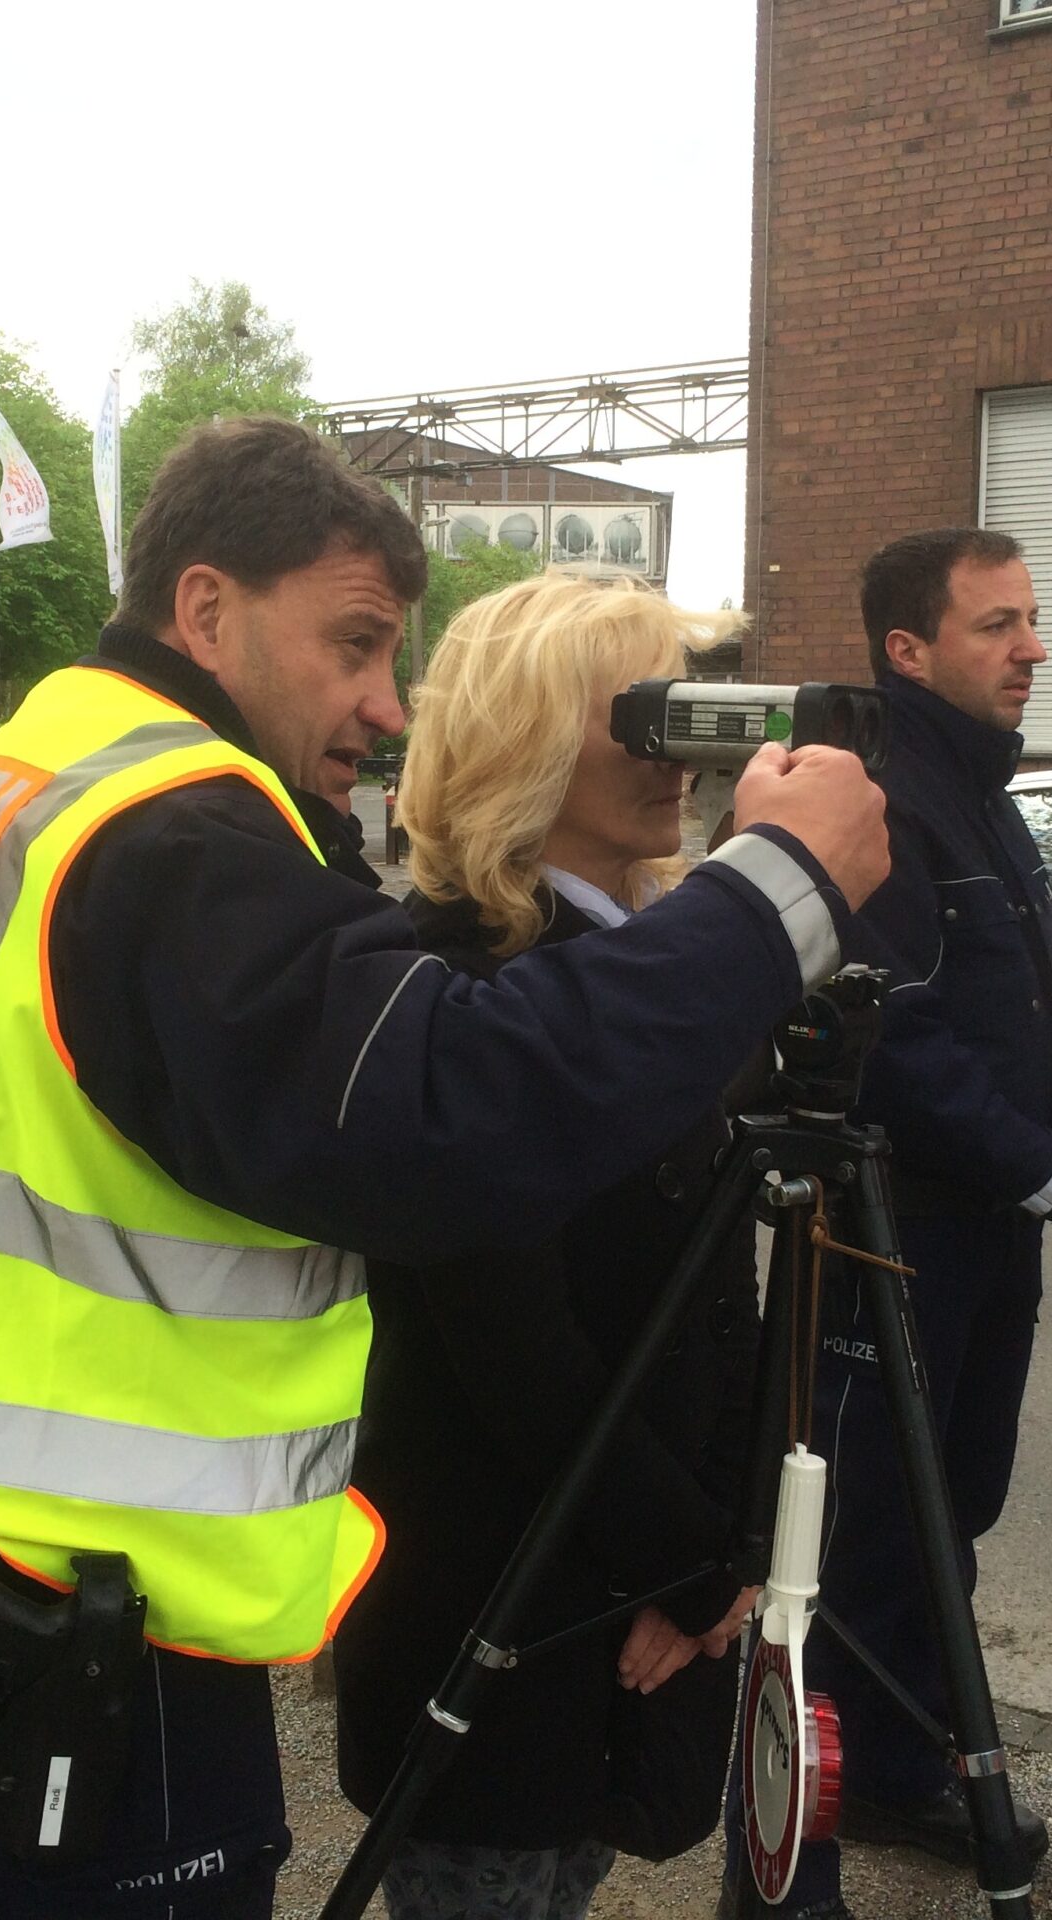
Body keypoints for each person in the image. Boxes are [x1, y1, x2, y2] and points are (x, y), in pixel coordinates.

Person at [0, 416, 890, 1920]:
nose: (388, 705)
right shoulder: (166, 836)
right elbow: (439, 1118)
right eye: (355, 646)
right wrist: (771, 896)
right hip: (69, 1638)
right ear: (207, 609)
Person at [731, 529, 1052, 1920]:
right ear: (909, 649)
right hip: (893, 1232)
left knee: (962, 1496)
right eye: (1001, 624)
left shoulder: (982, 788)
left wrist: (1050, 1167)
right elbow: (894, 1042)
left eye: (1035, 620)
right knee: (877, 1513)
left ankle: (893, 1746)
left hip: (984, 1222)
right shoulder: (880, 797)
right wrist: (1050, 1167)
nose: (1035, 648)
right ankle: (851, 1774)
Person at [336, 573, 767, 1920]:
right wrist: (691, 1568)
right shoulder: (452, 983)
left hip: (622, 1593)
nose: (677, 752)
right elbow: (511, 1352)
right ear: (526, 737)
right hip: (493, 1609)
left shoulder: (647, 964)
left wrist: (716, 1559)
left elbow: (724, 1305)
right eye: (642, 714)